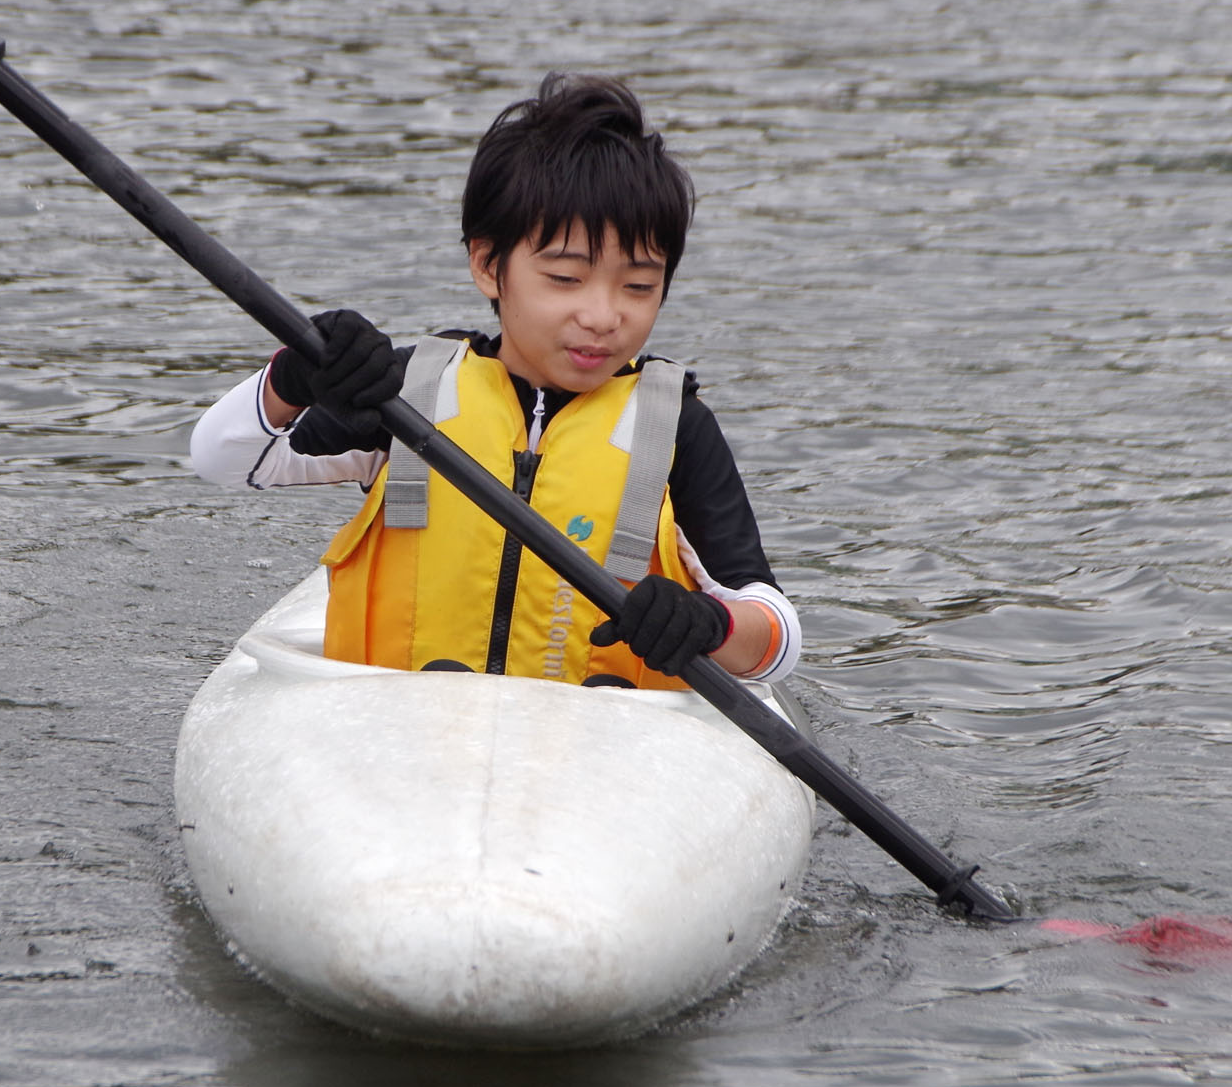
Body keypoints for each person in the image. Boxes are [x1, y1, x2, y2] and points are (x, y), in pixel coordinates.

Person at [188, 73, 801, 689]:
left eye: (638, 286)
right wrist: (293, 379)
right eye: (565, 279)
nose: (603, 316)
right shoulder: (406, 393)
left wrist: (712, 624)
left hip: (602, 740)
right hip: (399, 725)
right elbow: (222, 458)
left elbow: (777, 635)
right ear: (488, 266)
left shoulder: (674, 427)